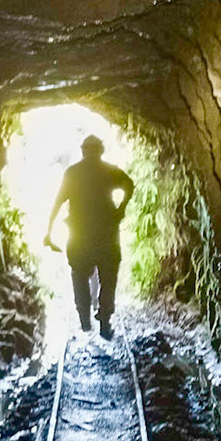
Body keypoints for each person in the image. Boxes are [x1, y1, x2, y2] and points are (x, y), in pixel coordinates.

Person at [43, 135, 134, 339]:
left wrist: (48, 231)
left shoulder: (73, 173)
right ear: (101, 150)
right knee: (108, 279)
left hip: (80, 235)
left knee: (79, 276)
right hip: (106, 234)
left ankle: (85, 318)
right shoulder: (109, 171)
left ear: (83, 151)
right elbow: (129, 185)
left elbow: (57, 202)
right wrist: (121, 209)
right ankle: (104, 320)